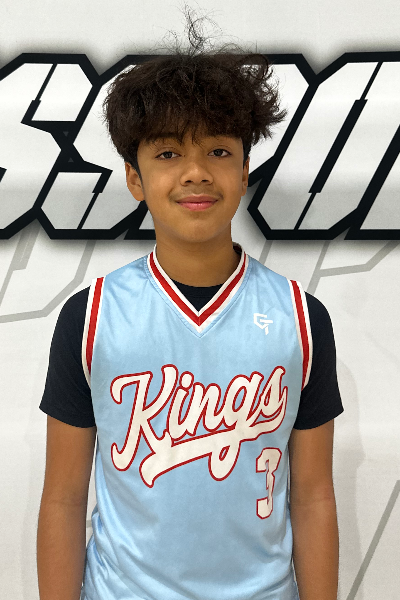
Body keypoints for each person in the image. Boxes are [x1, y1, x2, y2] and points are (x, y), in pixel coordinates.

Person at [37, 10, 344, 600]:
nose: (196, 173)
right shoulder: (91, 316)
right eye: (168, 154)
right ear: (134, 178)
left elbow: (312, 496)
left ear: (246, 170)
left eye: (219, 151)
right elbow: (64, 498)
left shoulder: (301, 318)